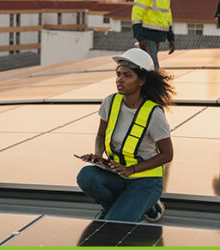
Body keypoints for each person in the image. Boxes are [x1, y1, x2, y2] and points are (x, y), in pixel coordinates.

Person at [76, 48, 174, 222]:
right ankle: (125, 207)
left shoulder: (154, 114)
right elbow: (100, 136)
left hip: (146, 181)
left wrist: (131, 170)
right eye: (118, 74)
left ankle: (145, 203)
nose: (119, 80)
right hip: (117, 175)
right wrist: (98, 156)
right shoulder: (110, 102)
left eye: (127, 76)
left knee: (115, 223)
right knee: (86, 176)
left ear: (142, 80)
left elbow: (167, 154)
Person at [132, 0, 176, 70]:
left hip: (158, 35)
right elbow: (136, 15)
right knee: (152, 64)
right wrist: (140, 38)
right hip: (147, 34)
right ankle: (156, 80)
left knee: (148, 64)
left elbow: (167, 16)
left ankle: (148, 79)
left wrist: (171, 38)